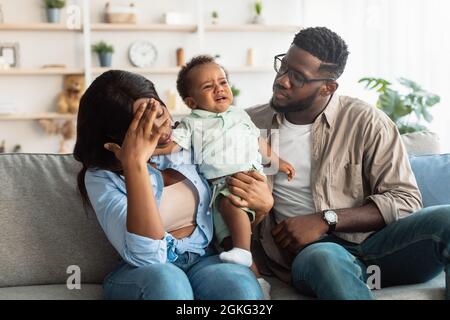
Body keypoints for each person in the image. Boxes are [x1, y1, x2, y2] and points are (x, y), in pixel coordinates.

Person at [246, 26, 450, 300]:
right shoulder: (250, 126)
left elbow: (405, 199)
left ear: (328, 87)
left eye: (297, 77)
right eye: (283, 67)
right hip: (316, 254)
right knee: (325, 258)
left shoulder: (366, 122)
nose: (282, 80)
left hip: (381, 249)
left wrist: (325, 219)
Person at [73, 70, 273, 300]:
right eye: (146, 123)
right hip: (144, 272)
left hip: (204, 259)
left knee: (241, 287)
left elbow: (228, 206)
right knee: (170, 284)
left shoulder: (188, 144)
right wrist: (135, 164)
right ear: (118, 135)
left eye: (160, 111)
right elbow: (147, 257)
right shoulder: (101, 177)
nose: (164, 127)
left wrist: (260, 207)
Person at [153, 55, 294, 299]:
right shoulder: (192, 123)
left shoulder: (239, 115)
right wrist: (148, 151)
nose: (219, 89)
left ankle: (243, 251)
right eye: (208, 87)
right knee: (225, 239)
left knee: (232, 210)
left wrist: (278, 163)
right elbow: (174, 145)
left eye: (223, 82)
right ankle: (257, 278)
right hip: (218, 187)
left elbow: (258, 142)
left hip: (247, 178)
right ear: (191, 101)